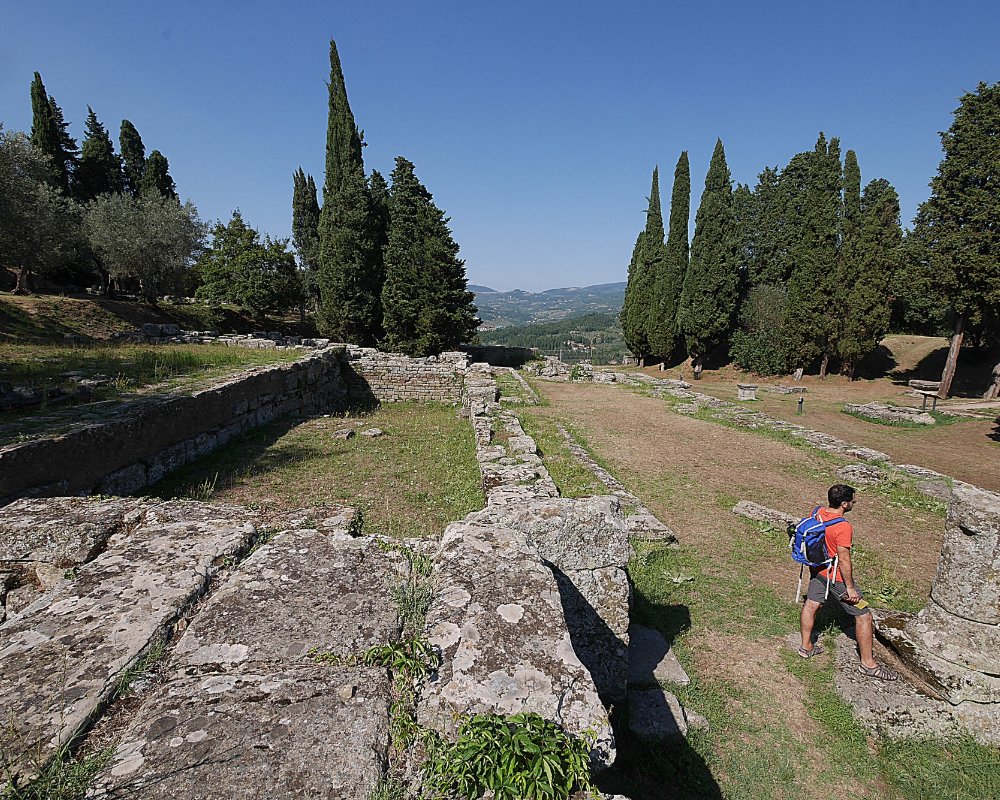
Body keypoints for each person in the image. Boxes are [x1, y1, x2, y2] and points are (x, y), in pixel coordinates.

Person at [798, 484, 898, 680]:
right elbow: (844, 559)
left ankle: (806, 647)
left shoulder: (817, 511)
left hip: (817, 568)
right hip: (835, 577)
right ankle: (868, 664)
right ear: (844, 504)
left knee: (811, 604)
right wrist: (850, 588)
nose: (854, 503)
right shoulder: (843, 527)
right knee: (864, 616)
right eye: (853, 501)